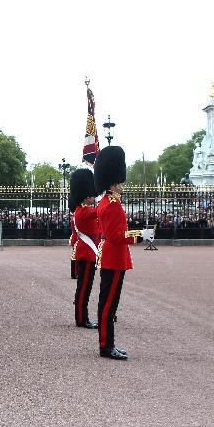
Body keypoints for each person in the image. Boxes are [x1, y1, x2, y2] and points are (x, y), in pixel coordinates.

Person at [94, 146, 153, 360]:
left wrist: (138, 233)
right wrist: (142, 235)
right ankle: (106, 346)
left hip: (112, 256)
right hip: (114, 257)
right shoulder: (112, 206)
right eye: (120, 182)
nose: (122, 185)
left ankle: (107, 343)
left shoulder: (107, 203)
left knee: (109, 304)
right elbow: (117, 236)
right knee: (109, 304)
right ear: (113, 182)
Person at [69, 168, 99, 330]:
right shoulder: (84, 211)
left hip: (86, 252)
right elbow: (100, 212)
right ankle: (82, 318)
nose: (94, 198)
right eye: (92, 195)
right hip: (87, 253)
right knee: (84, 288)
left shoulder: (80, 211)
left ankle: (82, 316)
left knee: (84, 287)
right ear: (86, 195)